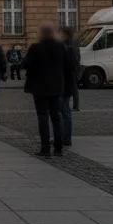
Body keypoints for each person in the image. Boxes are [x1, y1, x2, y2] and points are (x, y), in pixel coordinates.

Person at [22, 23, 76, 157]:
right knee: (56, 117)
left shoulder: (36, 47)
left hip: (39, 88)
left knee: (43, 118)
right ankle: (58, 149)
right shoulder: (61, 47)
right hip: (56, 88)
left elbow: (25, 64)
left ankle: (45, 149)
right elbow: (69, 66)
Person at [59, 27, 81, 145]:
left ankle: (65, 137)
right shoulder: (73, 45)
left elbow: (69, 65)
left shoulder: (67, 47)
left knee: (64, 110)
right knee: (63, 109)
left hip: (65, 82)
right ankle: (64, 136)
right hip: (69, 81)